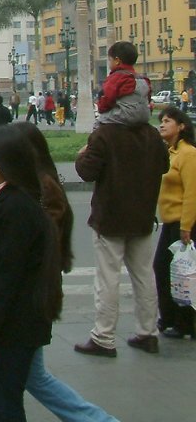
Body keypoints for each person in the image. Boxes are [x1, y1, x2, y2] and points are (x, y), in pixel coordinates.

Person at [4, 123, 119, 422]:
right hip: (26, 296)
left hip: (32, 293)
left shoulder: (42, 188)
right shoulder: (24, 186)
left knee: (33, 378)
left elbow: (42, 242)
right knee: (11, 381)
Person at [0, 124, 64, 422]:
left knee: (4, 398)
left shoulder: (18, 208)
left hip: (16, 321)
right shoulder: (8, 198)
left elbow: (7, 277)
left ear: (4, 163)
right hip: (8, 320)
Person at [74, 106, 169, 357]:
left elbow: (86, 172)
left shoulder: (105, 134)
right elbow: (164, 165)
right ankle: (148, 333)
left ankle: (103, 337)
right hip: (142, 217)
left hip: (110, 219)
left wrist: (82, 154)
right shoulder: (151, 134)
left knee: (108, 278)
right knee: (144, 277)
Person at [155, 106, 196, 339]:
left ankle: (183, 323)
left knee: (181, 272)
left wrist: (186, 226)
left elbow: (192, 192)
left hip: (183, 223)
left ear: (181, 126)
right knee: (166, 269)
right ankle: (170, 319)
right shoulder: (170, 152)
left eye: (168, 121)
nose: (162, 124)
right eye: (161, 120)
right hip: (171, 222)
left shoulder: (189, 154)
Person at [95, 41, 151, 127]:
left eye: (110, 60)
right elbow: (148, 97)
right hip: (144, 116)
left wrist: (101, 107)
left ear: (117, 60)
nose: (109, 63)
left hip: (125, 116)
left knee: (99, 123)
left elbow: (108, 98)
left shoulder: (117, 77)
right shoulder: (143, 79)